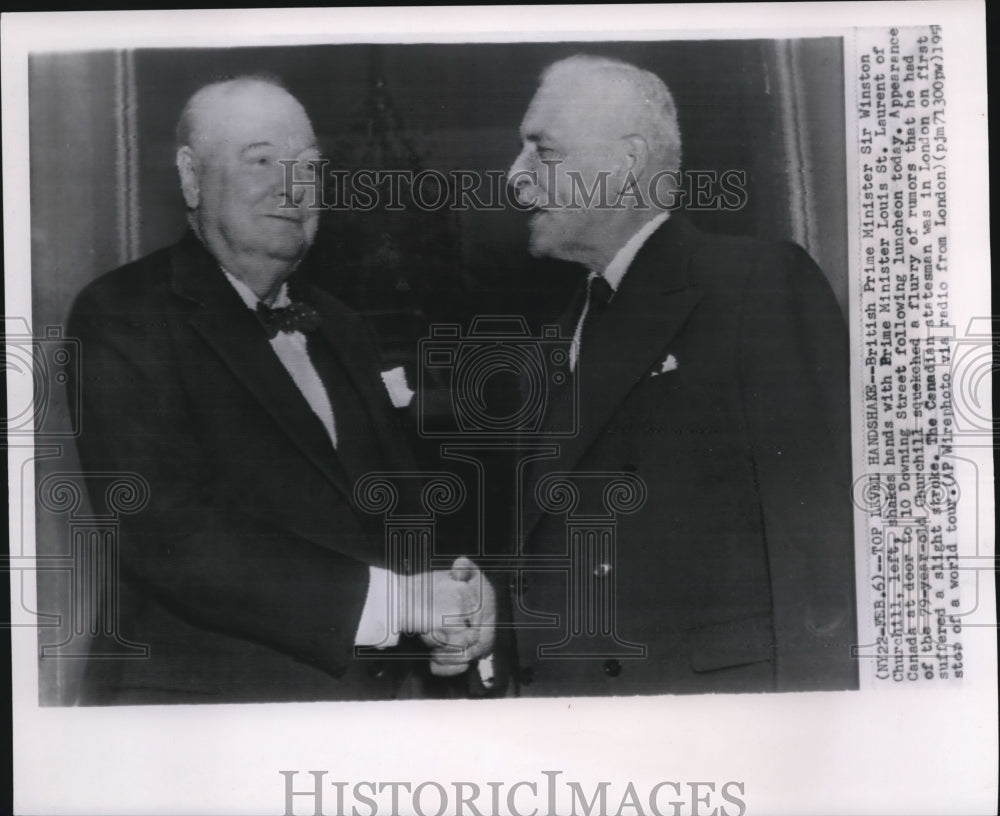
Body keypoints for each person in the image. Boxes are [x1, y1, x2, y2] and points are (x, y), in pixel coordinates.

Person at [67, 75, 493, 704]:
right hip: (203, 722)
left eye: (309, 168)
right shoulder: (122, 312)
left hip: (366, 720)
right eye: (261, 159)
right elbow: (167, 533)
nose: (293, 188)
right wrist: (403, 602)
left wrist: (458, 591)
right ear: (191, 176)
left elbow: (396, 504)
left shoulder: (343, 325)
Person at [503, 54, 857, 695]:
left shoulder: (756, 285)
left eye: (542, 152)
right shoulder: (558, 335)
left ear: (626, 161)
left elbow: (829, 547)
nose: (516, 180)